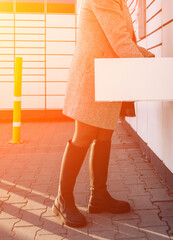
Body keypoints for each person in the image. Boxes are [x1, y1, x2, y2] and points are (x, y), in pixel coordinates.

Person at [52, 0, 154, 228]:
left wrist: (148, 56)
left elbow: (125, 39)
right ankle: (62, 199)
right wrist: (147, 67)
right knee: (84, 135)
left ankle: (98, 196)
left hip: (108, 78)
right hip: (92, 78)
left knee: (105, 134)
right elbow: (119, 40)